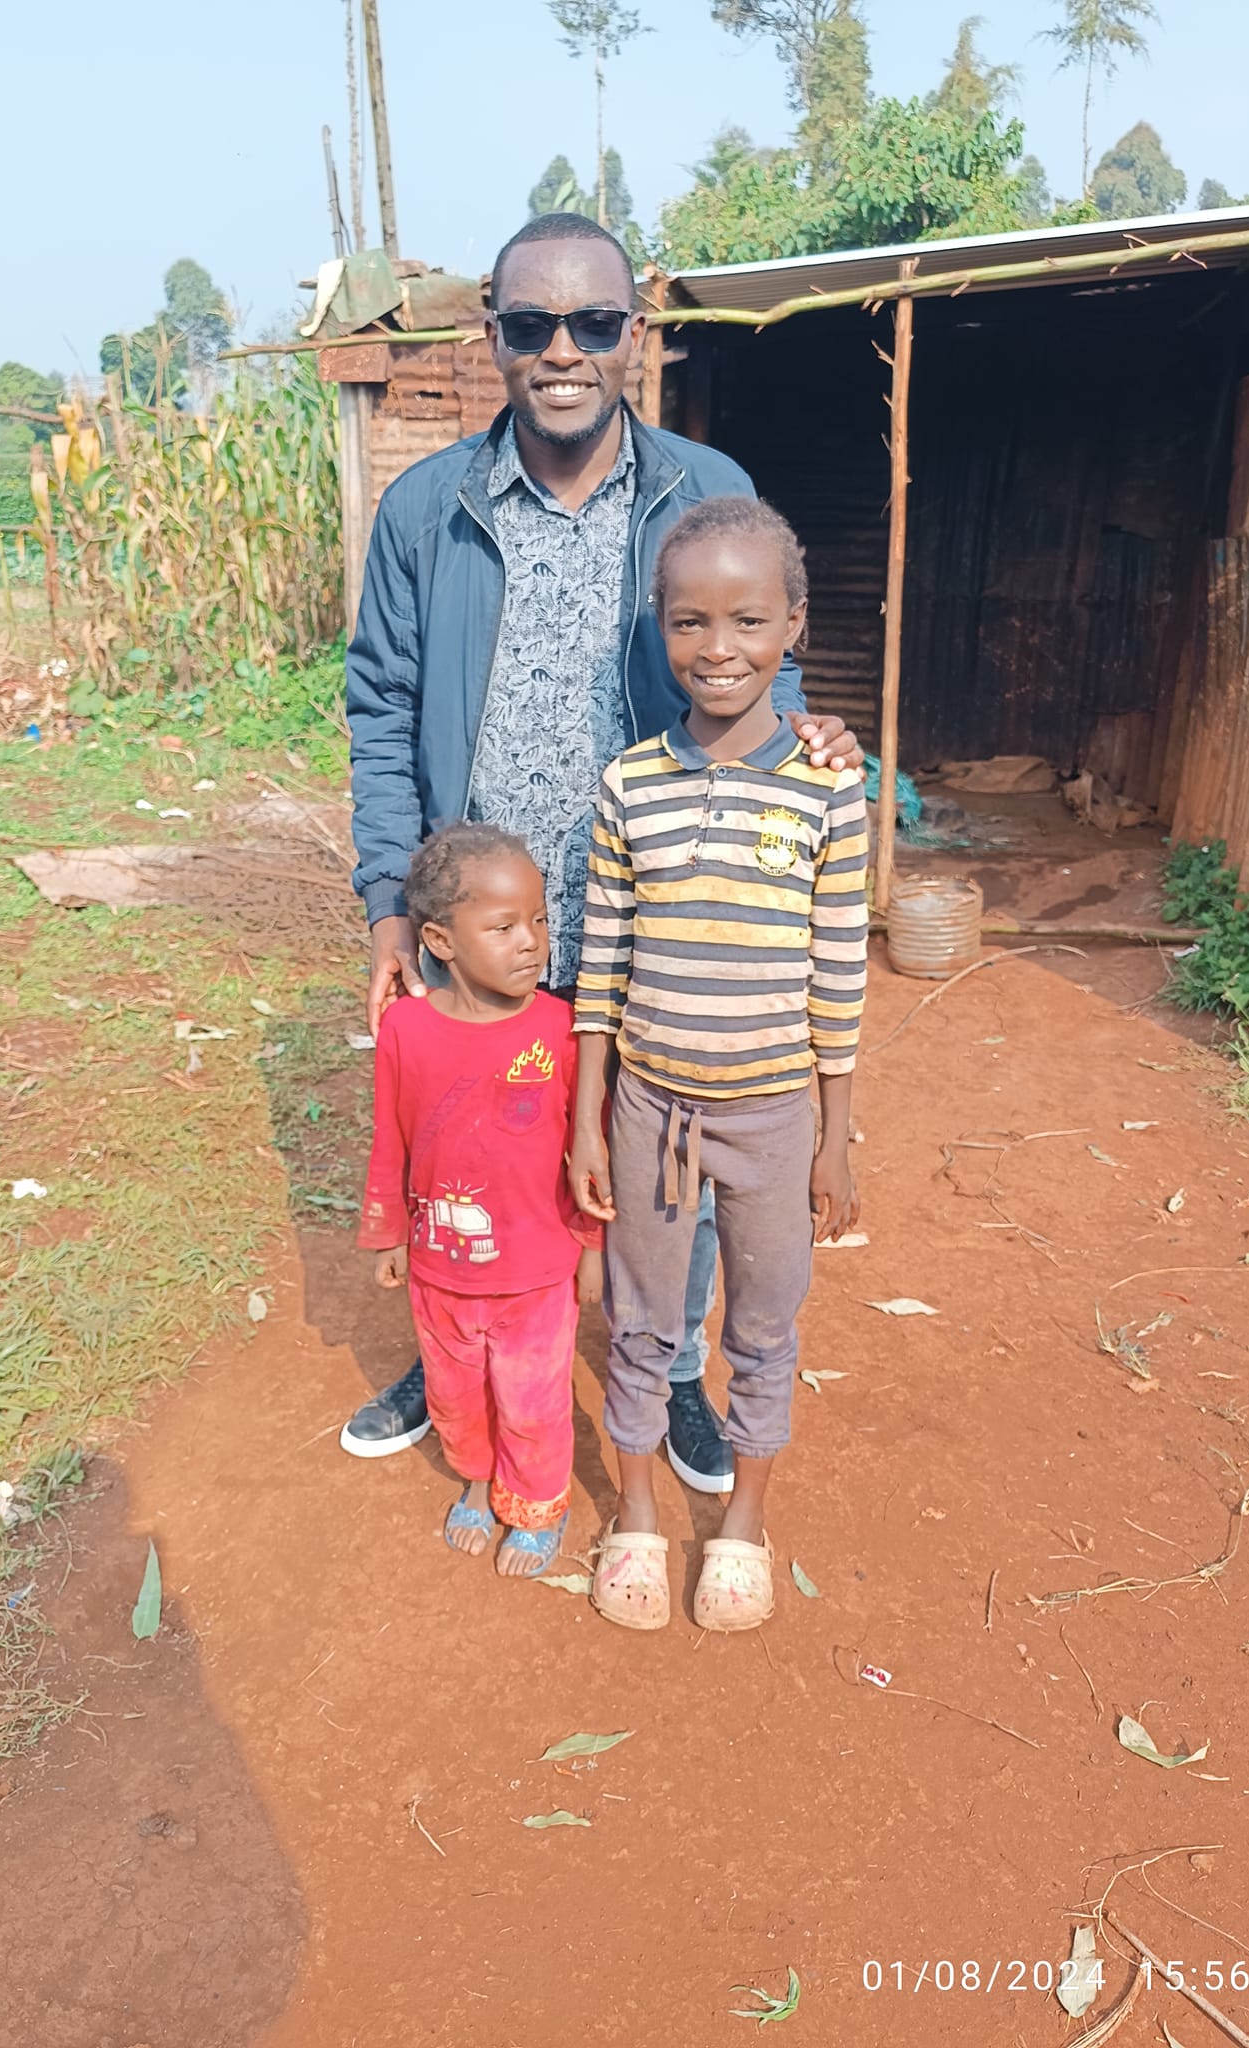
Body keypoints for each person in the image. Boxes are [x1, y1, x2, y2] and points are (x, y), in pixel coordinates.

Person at [341, 210, 863, 1492]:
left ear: (638, 334)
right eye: (531, 325)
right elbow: (380, 711)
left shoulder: (702, 486)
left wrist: (815, 735)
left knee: (664, 1147)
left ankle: (674, 1363)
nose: (563, 348)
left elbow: (756, 658)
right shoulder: (426, 509)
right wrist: (389, 905)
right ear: (494, 339)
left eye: (593, 322)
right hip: (486, 918)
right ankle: (459, 1336)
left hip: (662, 905)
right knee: (472, 1142)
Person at [569, 497, 868, 1633]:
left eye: (748, 619)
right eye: (689, 621)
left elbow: (839, 967)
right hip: (650, 1105)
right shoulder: (628, 785)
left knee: (765, 1323)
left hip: (776, 1115)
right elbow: (602, 959)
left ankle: (743, 1521)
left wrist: (839, 1132)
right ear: (660, 628)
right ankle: (638, 1513)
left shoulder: (829, 783)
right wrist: (589, 1114)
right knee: (646, 1318)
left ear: (794, 624)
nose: (718, 648)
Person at [358, 823, 600, 1578]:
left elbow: (589, 1154)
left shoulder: (563, 1031)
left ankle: (536, 1504)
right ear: (440, 939)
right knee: (457, 1395)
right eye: (502, 927)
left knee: (531, 1401)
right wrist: (389, 1232)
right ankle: (476, 1480)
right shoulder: (405, 1029)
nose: (531, 942)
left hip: (536, 1273)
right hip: (440, 1271)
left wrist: (591, 1246)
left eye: (538, 920)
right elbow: (390, 1138)